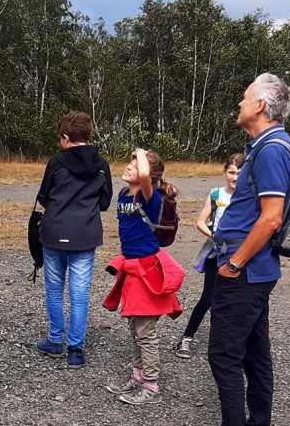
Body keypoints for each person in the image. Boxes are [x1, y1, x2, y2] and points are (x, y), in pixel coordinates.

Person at [185, 73, 290, 426]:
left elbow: (271, 219)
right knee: (254, 354)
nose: (239, 102)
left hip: (245, 272)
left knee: (224, 354)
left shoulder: (270, 150)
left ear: (260, 107)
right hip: (254, 271)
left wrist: (233, 264)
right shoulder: (266, 146)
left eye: (245, 97)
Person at [103, 149, 183, 405]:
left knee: (145, 331)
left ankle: (151, 384)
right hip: (132, 268)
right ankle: (137, 376)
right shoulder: (124, 193)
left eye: (134, 165)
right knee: (134, 326)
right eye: (129, 162)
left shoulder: (150, 197)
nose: (129, 166)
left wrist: (140, 152)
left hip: (148, 271)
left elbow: (146, 175)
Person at [33, 111, 113, 368]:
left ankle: (56, 340)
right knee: (79, 295)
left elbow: (43, 197)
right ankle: (75, 349)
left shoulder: (56, 162)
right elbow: (104, 202)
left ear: (66, 137)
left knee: (54, 291)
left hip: (55, 232)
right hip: (85, 234)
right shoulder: (102, 164)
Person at [174, 152, 244, 360]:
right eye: (231, 172)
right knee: (209, 297)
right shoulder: (216, 195)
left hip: (242, 255)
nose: (235, 177)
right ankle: (187, 337)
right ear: (224, 172)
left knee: (237, 299)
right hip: (217, 254)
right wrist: (215, 235)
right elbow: (201, 222)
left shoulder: (249, 197)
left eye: (240, 173)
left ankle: (231, 344)